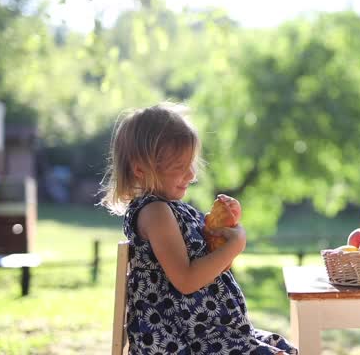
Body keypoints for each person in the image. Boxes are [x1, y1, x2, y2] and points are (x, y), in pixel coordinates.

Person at [100, 102, 298, 354]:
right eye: (179, 168)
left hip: (207, 332)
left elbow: (213, 268)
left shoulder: (174, 209)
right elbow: (186, 280)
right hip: (180, 340)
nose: (191, 175)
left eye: (190, 164)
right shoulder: (155, 213)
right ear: (140, 169)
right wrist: (237, 245)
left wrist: (223, 236)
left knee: (283, 348)